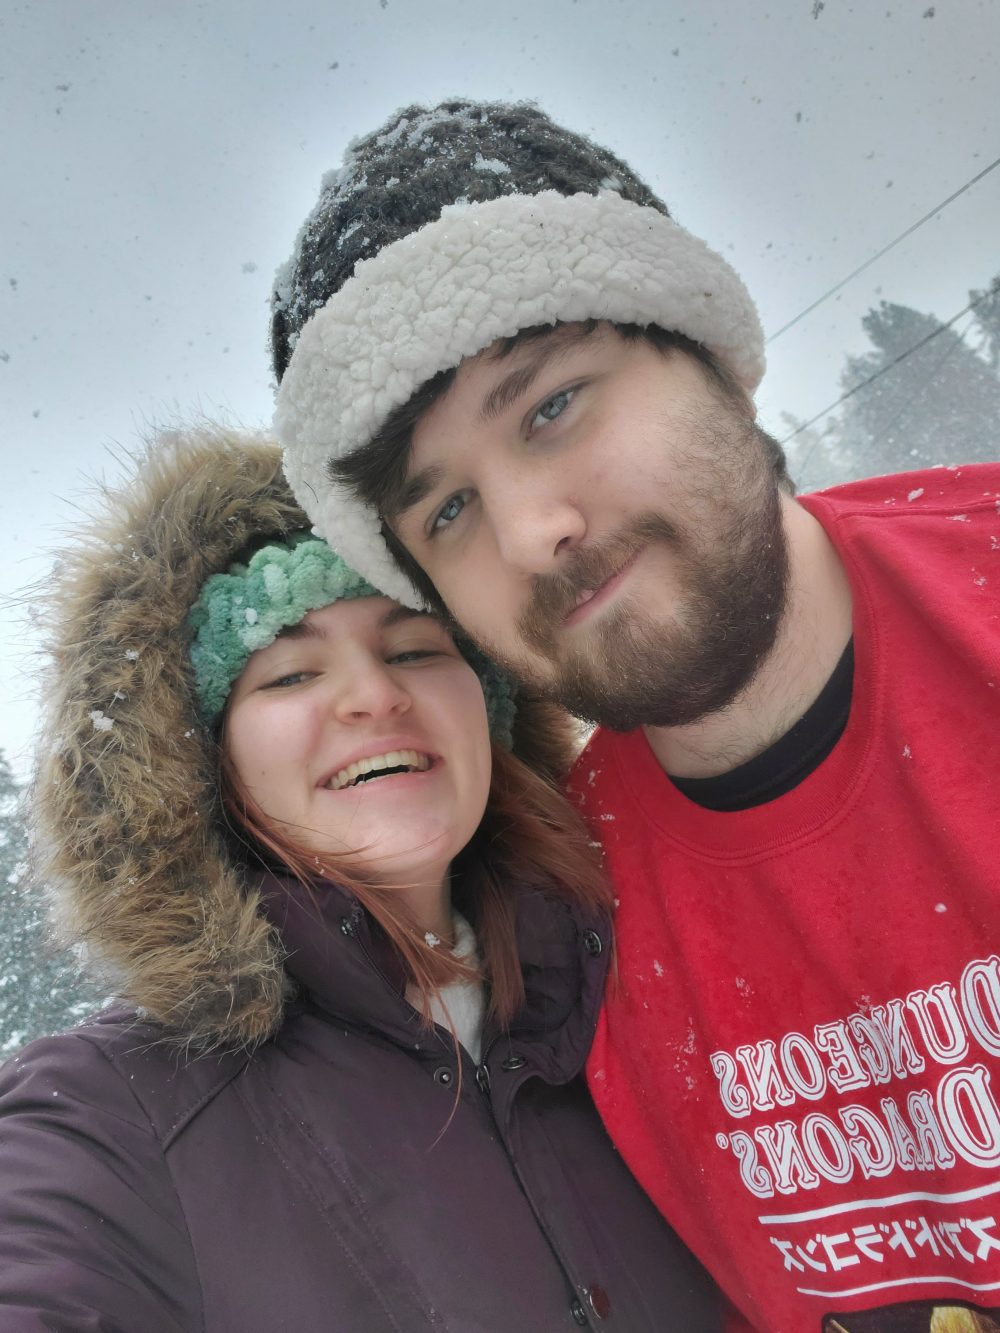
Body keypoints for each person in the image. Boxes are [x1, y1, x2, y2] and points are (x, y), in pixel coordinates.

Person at [268, 98, 1000, 1333]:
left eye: (551, 406)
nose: (530, 533)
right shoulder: (557, 933)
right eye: (446, 512)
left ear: (705, 351)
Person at [0, 426, 721, 1331]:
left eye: (415, 649)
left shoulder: (640, 986)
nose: (376, 695)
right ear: (203, 772)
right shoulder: (114, 1113)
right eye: (290, 672)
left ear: (491, 710)